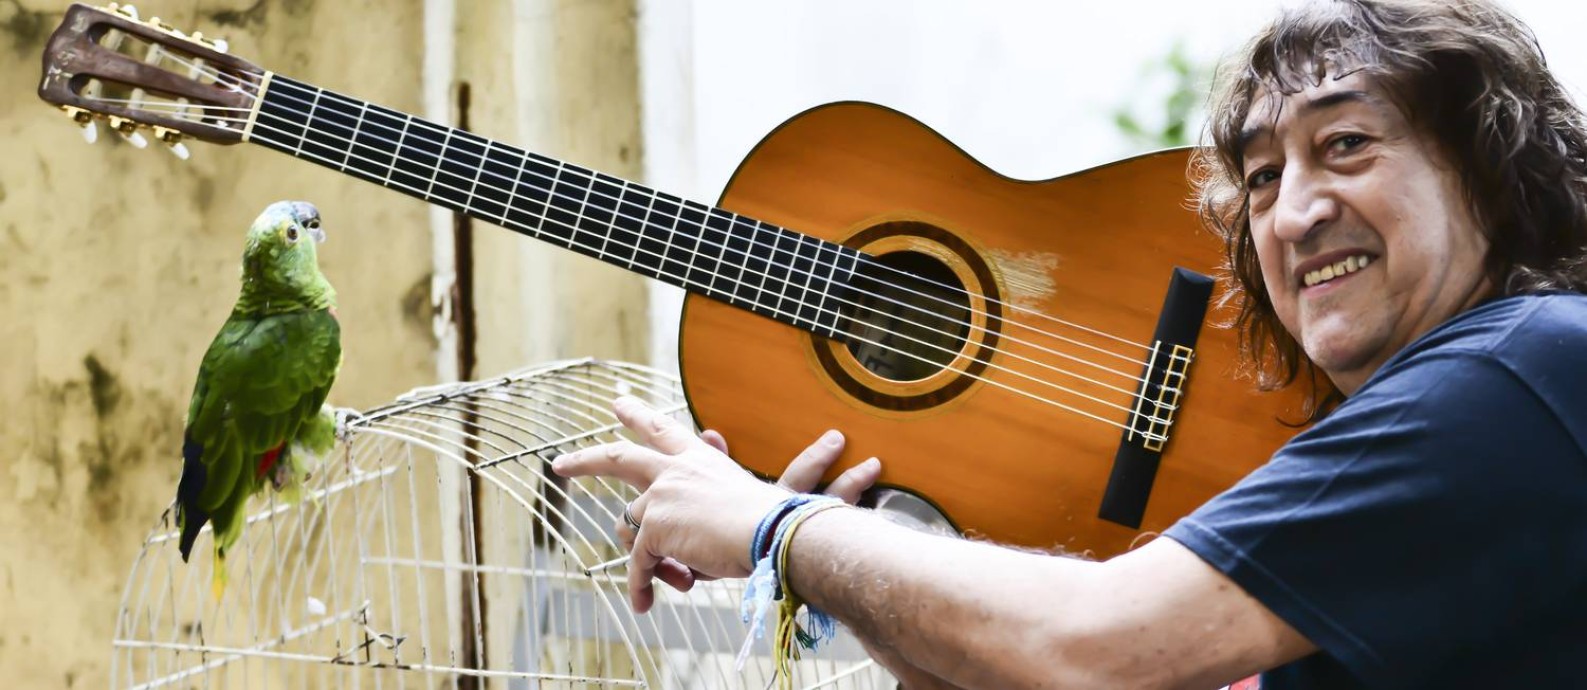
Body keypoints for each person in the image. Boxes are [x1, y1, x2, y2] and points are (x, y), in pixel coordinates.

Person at [553, 0, 1587, 686]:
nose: (1294, 213)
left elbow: (1089, 643)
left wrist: (776, 531)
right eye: (1263, 177)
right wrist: (832, 557)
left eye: (1347, 144)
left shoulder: (1511, 371)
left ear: (1488, 166)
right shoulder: (1460, 401)